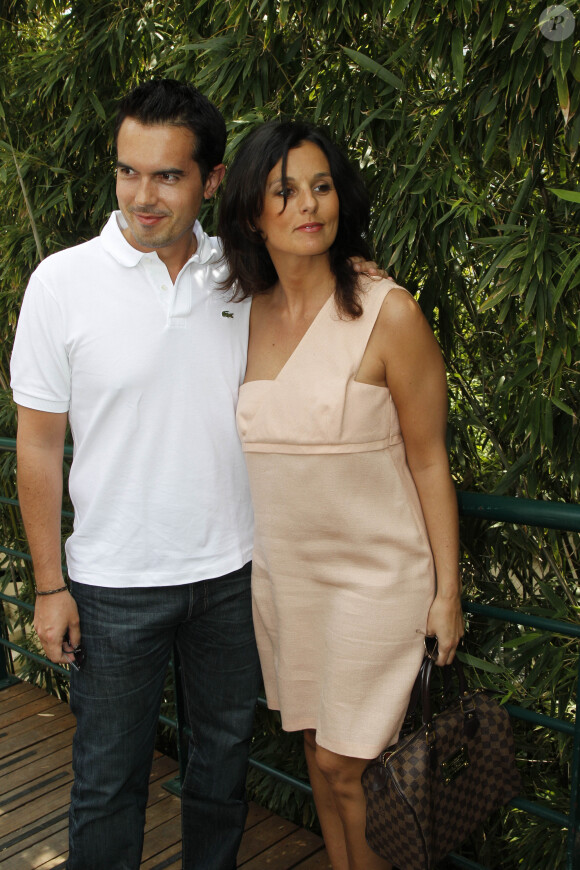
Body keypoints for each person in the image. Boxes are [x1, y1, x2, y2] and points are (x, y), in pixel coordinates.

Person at [10, 79, 262, 870]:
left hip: (233, 573)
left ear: (212, 179)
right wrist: (49, 586)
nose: (141, 197)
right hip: (112, 584)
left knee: (222, 772)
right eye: (128, 172)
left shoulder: (247, 276)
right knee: (107, 782)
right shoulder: (61, 281)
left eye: (168, 176)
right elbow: (40, 445)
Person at [218, 121, 465, 870]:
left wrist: (448, 592)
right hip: (288, 582)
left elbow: (429, 463)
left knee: (348, 765)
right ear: (251, 212)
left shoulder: (388, 313)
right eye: (284, 191)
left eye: (321, 186)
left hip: (377, 578)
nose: (308, 205)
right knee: (316, 759)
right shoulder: (234, 317)